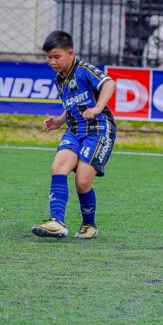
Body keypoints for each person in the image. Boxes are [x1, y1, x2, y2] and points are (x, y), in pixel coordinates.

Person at [32, 30, 117, 240]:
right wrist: (59, 121)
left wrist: (98, 108)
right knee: (58, 167)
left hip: (98, 130)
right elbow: (71, 104)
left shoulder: (84, 70)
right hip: (74, 130)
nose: (52, 62)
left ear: (70, 53)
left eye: (57, 57)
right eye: (49, 57)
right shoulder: (60, 79)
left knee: (82, 181)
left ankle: (89, 225)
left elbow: (109, 83)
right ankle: (57, 222)